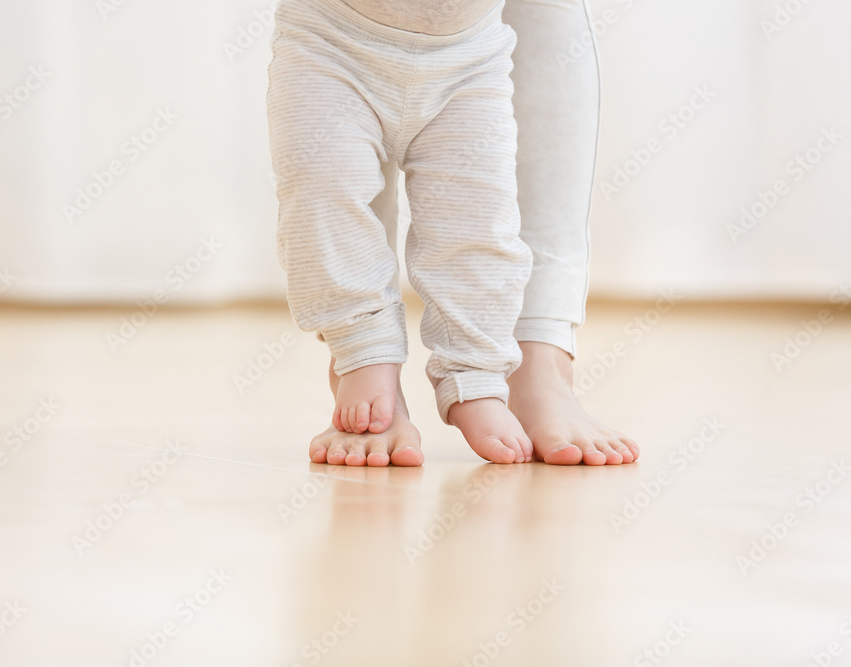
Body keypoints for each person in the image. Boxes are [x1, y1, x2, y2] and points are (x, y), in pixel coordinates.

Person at [268, 0, 640, 467]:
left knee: (479, 222)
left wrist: (475, 371)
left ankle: (479, 377)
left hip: (470, 54)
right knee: (327, 196)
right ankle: (364, 359)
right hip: (331, 42)